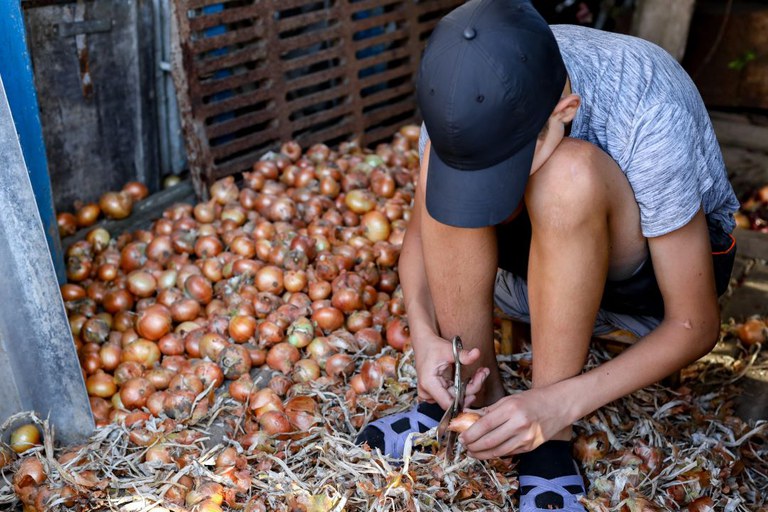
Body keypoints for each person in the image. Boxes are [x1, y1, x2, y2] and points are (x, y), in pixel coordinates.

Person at [355, 0, 740, 510]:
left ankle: (548, 439)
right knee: (438, 168)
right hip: (528, 269)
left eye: (502, 173)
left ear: (566, 110)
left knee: (566, 177)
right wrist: (426, 336)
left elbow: (695, 324)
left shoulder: (648, 102)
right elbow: (418, 247)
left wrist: (557, 405)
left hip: (641, 280)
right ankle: (471, 395)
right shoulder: (460, 92)